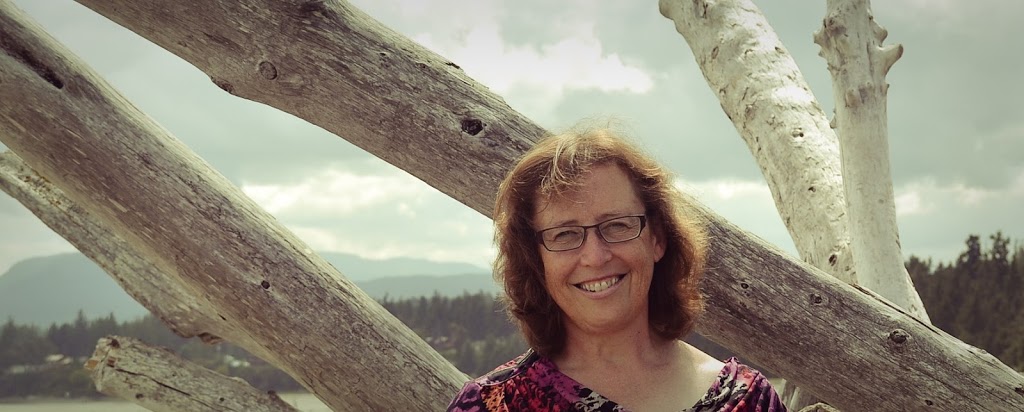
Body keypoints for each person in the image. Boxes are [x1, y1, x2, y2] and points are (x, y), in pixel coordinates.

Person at [446, 127, 786, 411]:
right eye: (565, 234)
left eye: (617, 225)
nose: (595, 257)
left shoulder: (749, 400)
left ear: (658, 238)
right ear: (536, 260)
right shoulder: (492, 405)